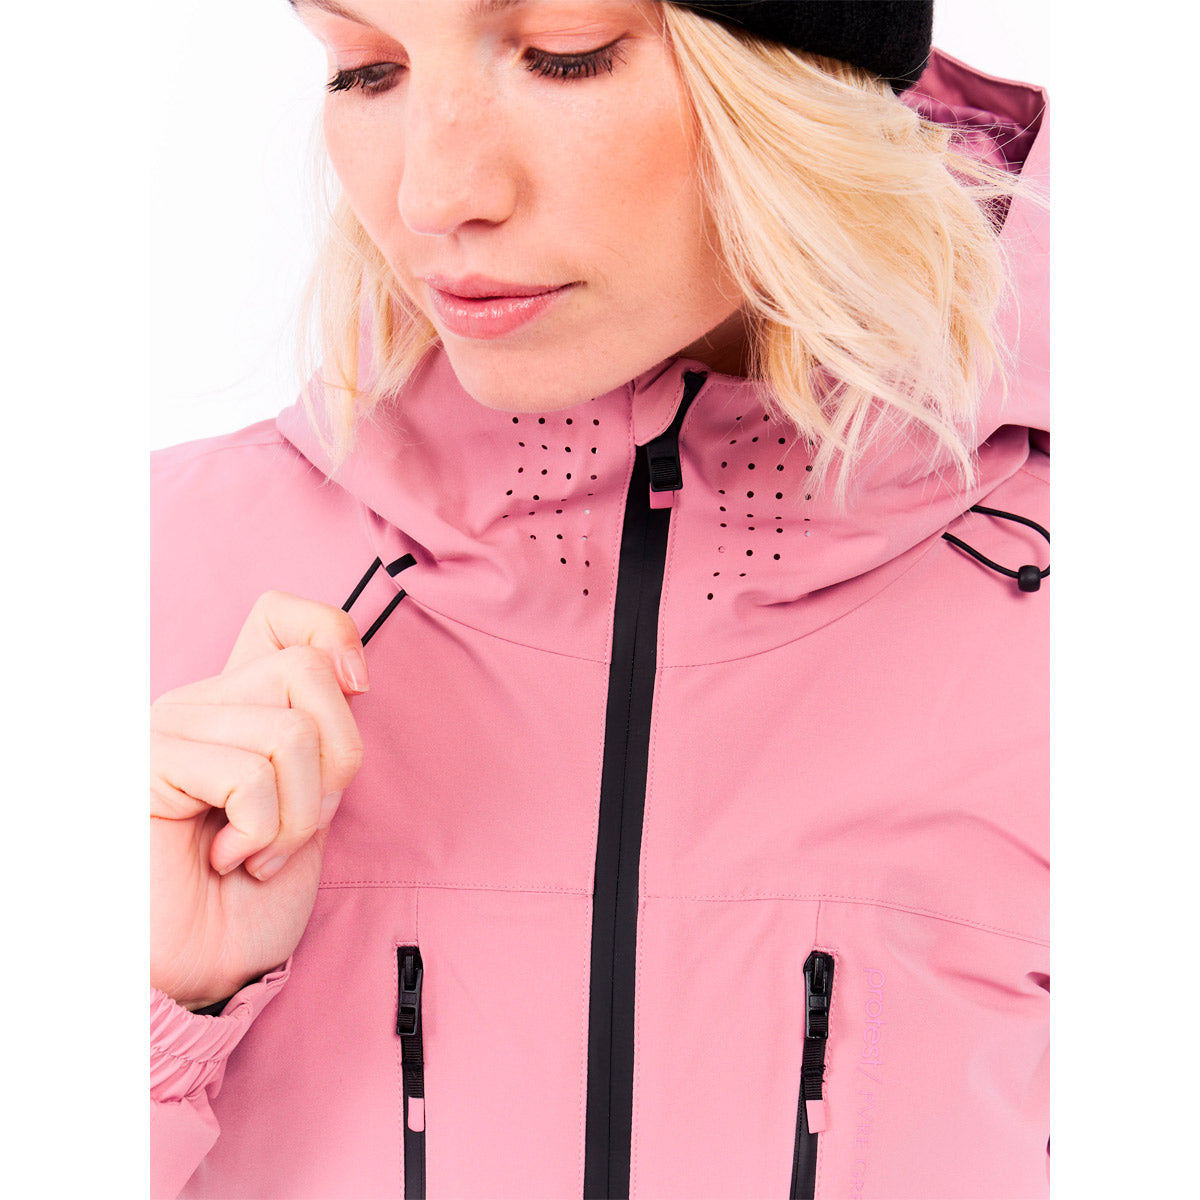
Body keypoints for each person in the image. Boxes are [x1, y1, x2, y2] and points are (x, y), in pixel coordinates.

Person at [150, 2, 1049, 1196]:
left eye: (562, 54)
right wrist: (154, 1015)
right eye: (367, 69)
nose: (433, 194)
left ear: (797, 77)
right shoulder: (160, 572)